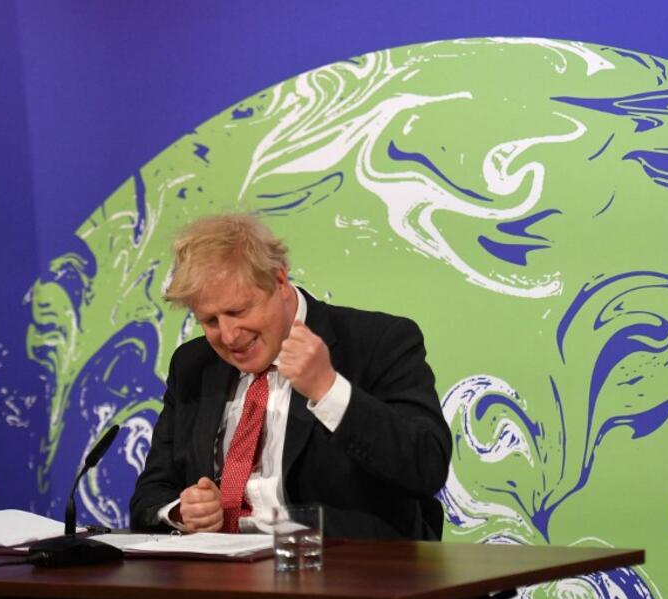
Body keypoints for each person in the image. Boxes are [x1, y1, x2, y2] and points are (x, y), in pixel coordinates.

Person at [129, 213, 451, 540]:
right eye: (210, 321)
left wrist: (328, 390)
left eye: (238, 312)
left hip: (343, 570)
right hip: (218, 578)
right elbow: (151, 492)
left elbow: (427, 467)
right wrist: (182, 511)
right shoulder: (193, 365)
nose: (228, 336)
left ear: (279, 281)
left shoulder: (377, 342)